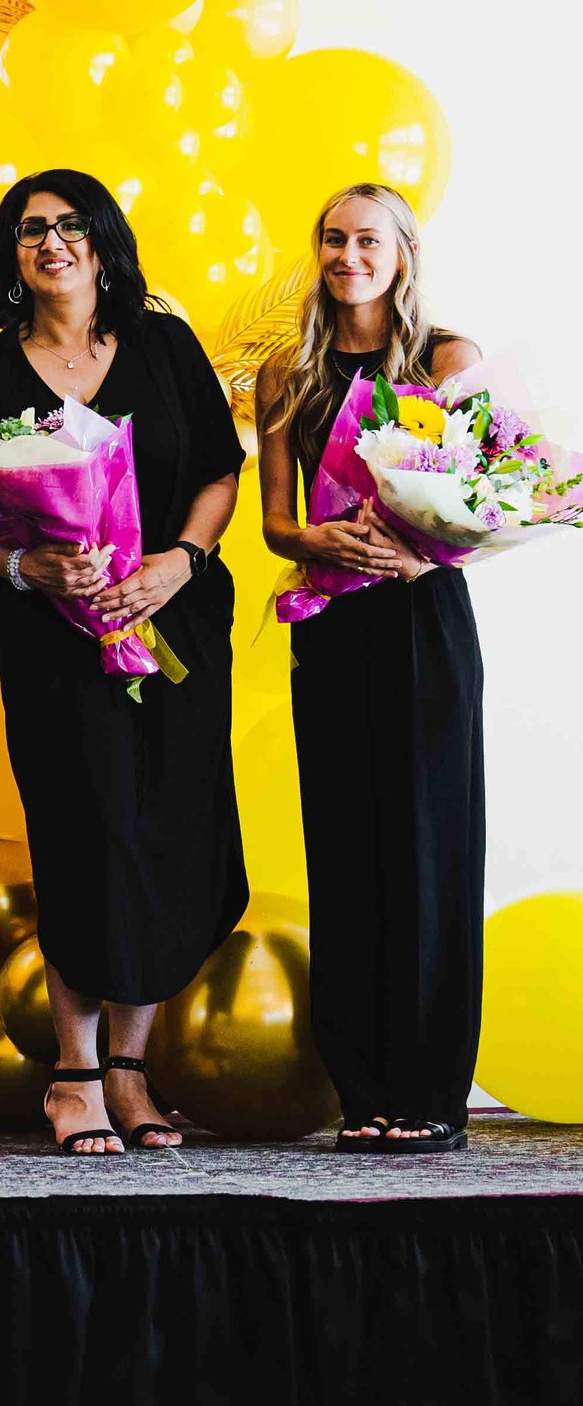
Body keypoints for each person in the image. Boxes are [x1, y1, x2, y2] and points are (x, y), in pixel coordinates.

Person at [0, 169, 247, 1155]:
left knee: (162, 836)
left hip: (170, 629)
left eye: (71, 225)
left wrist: (178, 561)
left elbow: (218, 470)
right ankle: (73, 1074)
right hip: (53, 647)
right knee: (83, 836)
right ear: (12, 254)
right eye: (30, 229)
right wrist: (22, 567)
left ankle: (130, 1070)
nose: (52, 242)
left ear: (103, 241)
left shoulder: (163, 346)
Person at [258, 183, 484, 1153]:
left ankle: (431, 1092)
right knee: (346, 850)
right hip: (332, 622)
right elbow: (274, 519)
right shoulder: (287, 372)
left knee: (428, 850)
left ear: (402, 255)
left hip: (422, 622)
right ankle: (364, 1092)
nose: (347, 256)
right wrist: (317, 539)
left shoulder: (447, 359)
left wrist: (424, 551)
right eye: (333, 239)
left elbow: (483, 498)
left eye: (366, 241)